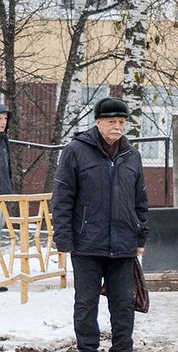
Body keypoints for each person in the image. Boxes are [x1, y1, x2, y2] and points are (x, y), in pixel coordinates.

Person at [51, 97, 149, 352]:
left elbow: (141, 200)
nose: (117, 126)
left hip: (123, 244)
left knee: (124, 305)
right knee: (86, 304)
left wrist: (141, 237)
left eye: (121, 122)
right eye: (111, 121)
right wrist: (64, 238)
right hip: (87, 244)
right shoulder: (75, 151)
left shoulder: (131, 155)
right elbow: (62, 197)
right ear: (98, 122)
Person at [0, 104, 12, 292]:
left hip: (2, 194)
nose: (2, 123)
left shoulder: (4, 140)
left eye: (5, 119)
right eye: (0, 119)